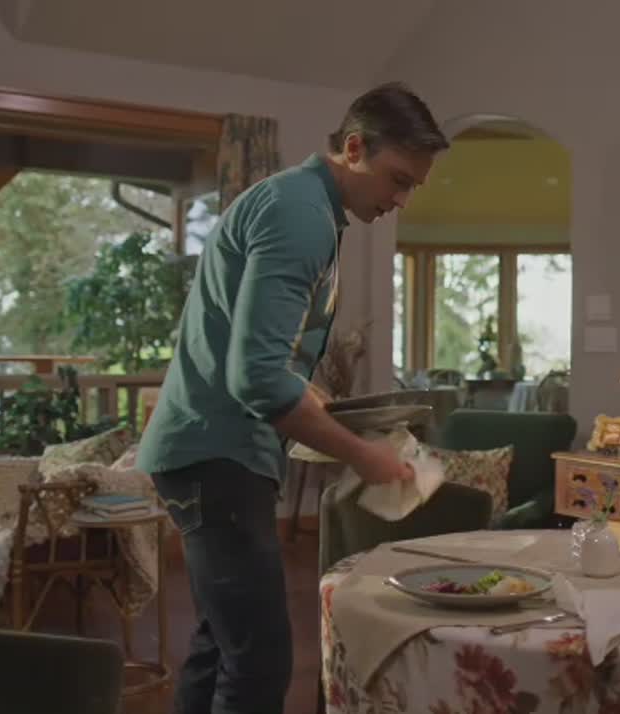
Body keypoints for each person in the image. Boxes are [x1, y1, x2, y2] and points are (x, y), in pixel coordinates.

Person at [136, 82, 450, 714]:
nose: (401, 200)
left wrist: (311, 394)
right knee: (259, 662)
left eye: (413, 186)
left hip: (206, 452)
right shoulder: (299, 215)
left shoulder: (301, 204)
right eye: (397, 179)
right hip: (218, 455)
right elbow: (255, 378)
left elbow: (254, 352)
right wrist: (364, 456)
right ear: (354, 148)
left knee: (220, 645)